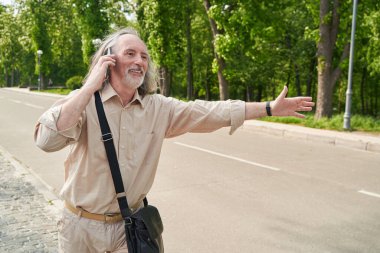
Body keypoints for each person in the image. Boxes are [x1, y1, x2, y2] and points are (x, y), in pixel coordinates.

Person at [34, 27, 314, 253]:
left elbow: (209, 111)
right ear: (109, 60)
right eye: (129, 53)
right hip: (78, 227)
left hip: (129, 228)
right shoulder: (83, 102)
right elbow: (46, 141)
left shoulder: (158, 108)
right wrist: (89, 86)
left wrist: (268, 108)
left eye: (144, 56)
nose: (139, 61)